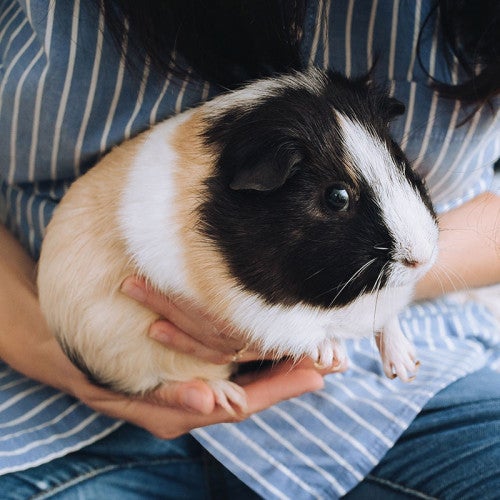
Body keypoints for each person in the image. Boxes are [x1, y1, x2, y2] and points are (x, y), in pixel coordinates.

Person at [0, 0, 498, 498]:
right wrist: (57, 353)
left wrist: (360, 312)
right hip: (60, 399)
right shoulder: (199, 192)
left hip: (397, 390)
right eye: (338, 199)